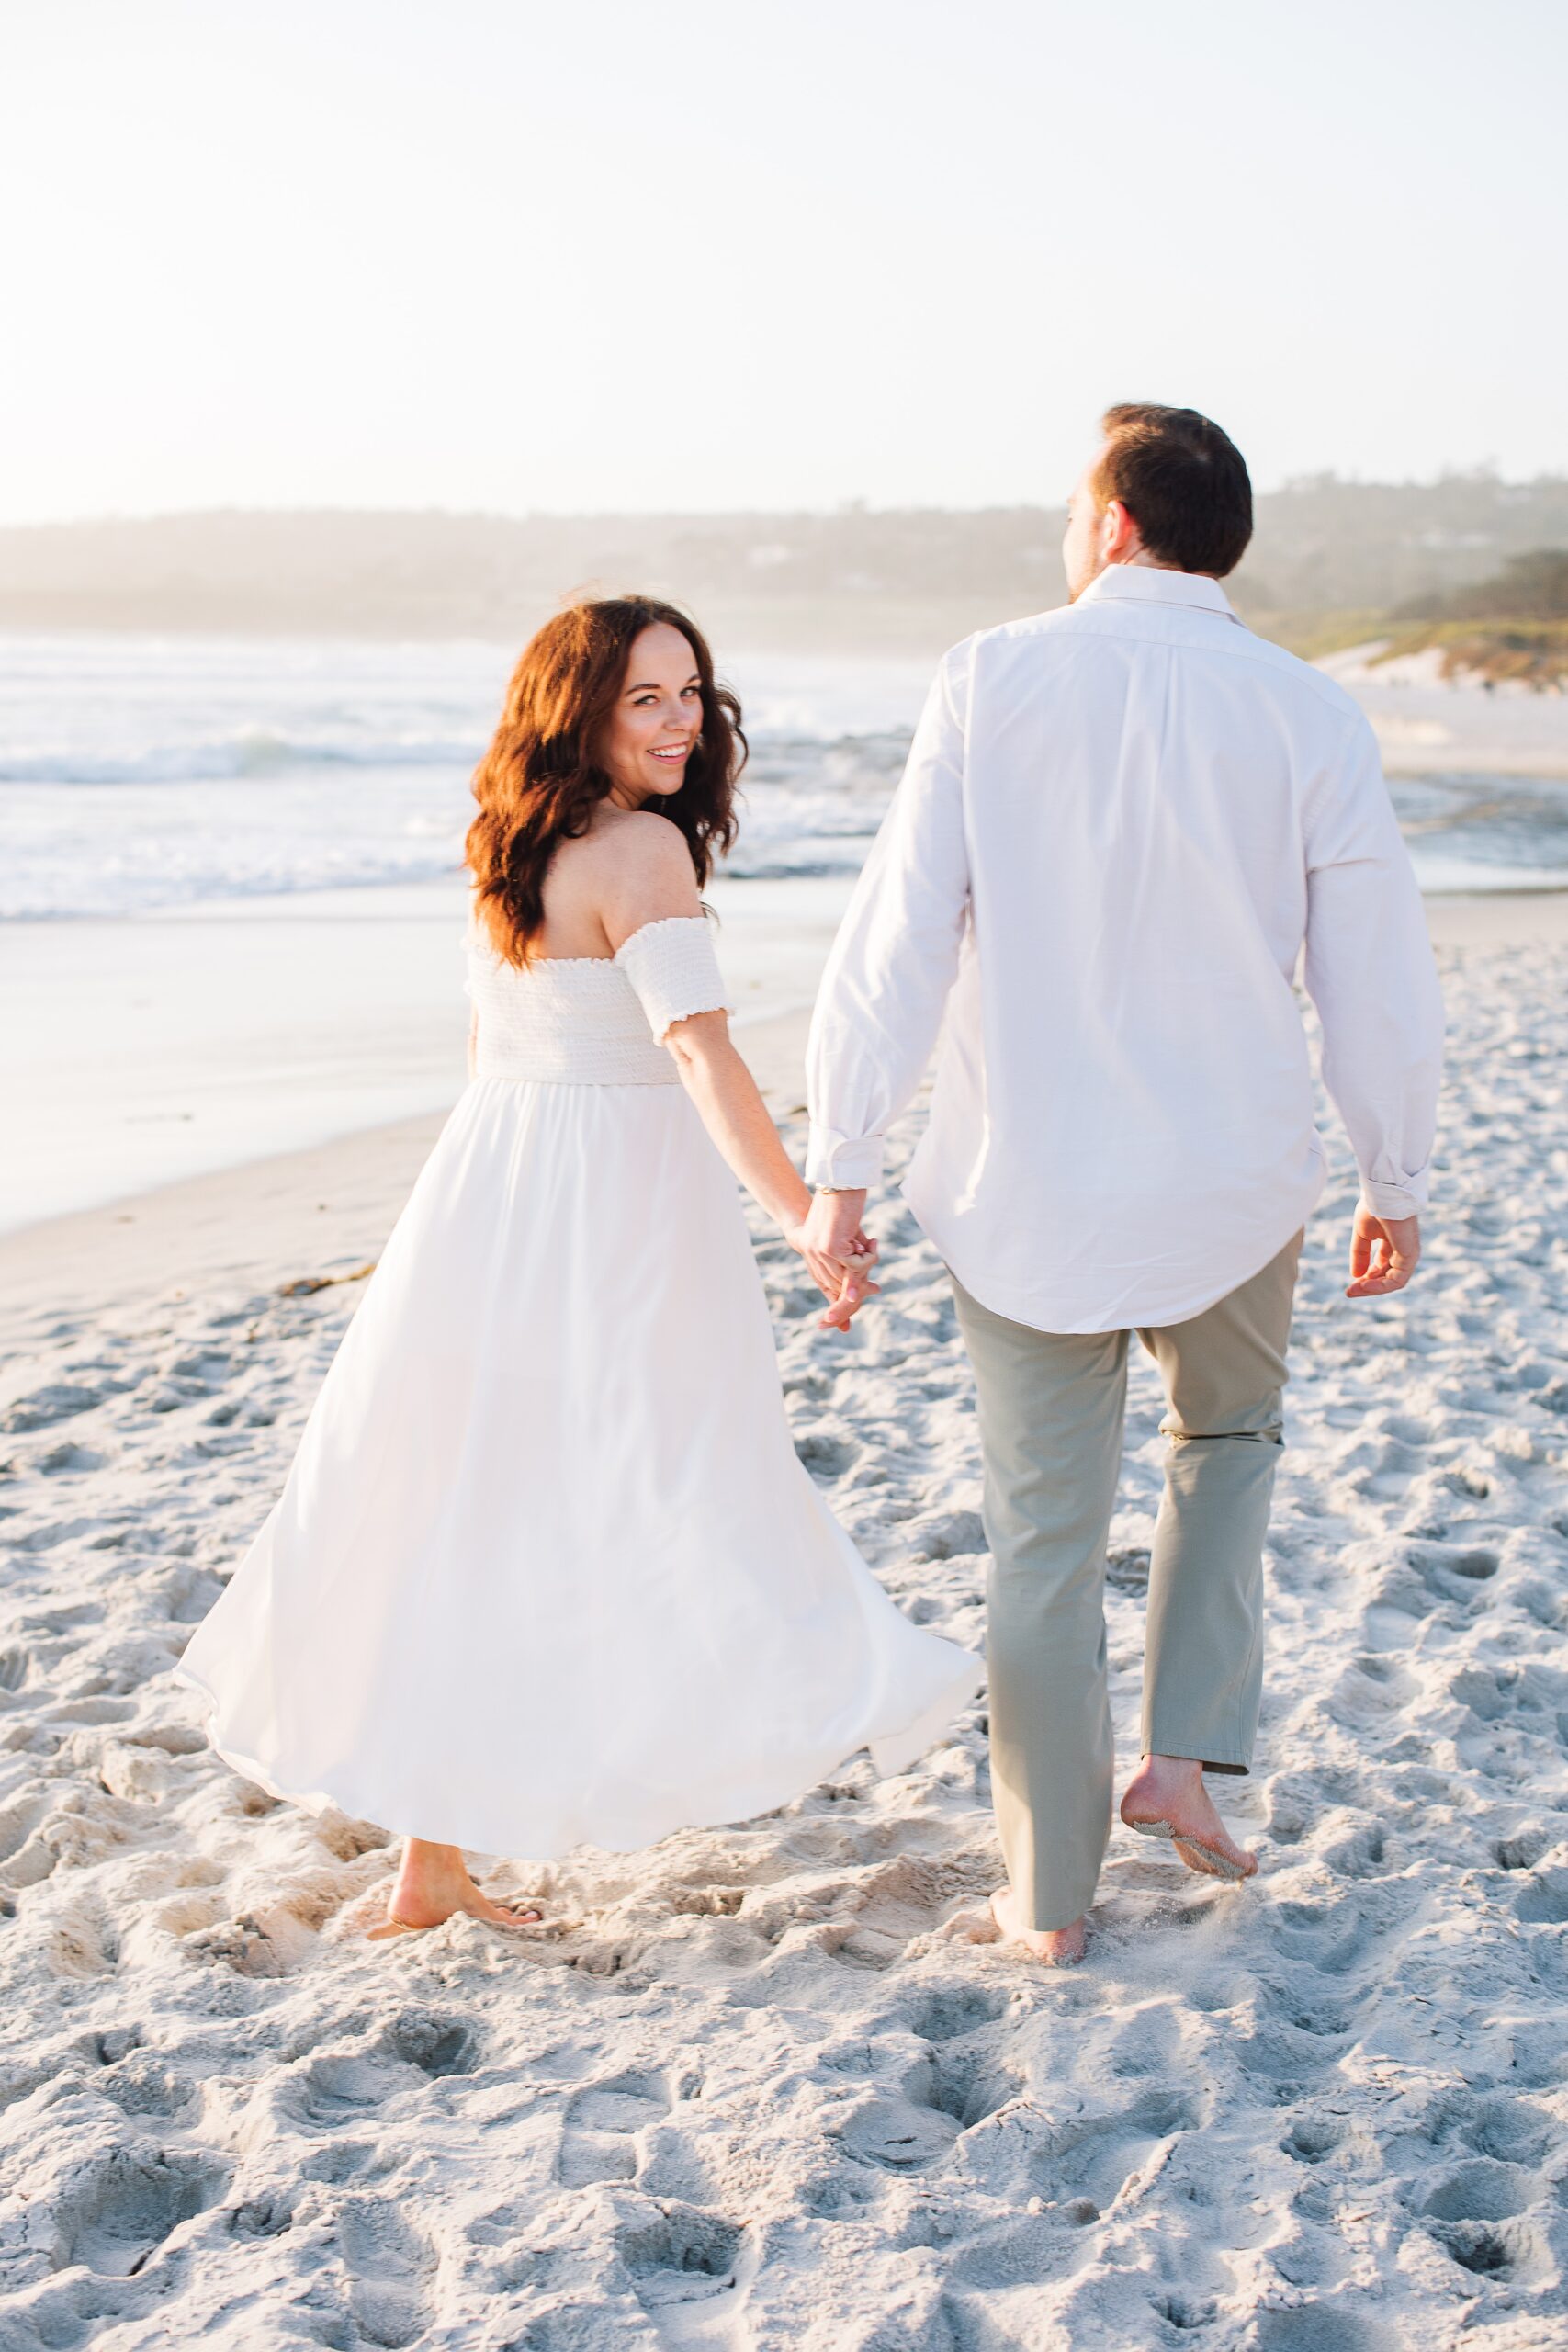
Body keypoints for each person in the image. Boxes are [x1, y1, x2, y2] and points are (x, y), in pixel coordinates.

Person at [177, 596, 979, 1939]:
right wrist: (802, 1212)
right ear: (582, 711)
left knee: (476, 1503)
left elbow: (500, 1051)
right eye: (646, 699)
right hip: (613, 1207)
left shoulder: (511, 842)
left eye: (691, 693)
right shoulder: (646, 853)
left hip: (489, 1193)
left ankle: (432, 1860)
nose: (680, 723)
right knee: (674, 1477)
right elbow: (698, 1056)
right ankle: (786, 1700)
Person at [803, 405, 1443, 1965]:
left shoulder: (991, 675)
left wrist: (842, 1162)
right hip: (1233, 1176)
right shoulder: (1306, 711)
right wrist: (1393, 1169)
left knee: (1043, 1542)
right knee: (1228, 1447)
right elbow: (1375, 969)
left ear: (1112, 523)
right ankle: (1186, 1768)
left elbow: (899, 937)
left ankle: (1045, 1899)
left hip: (1028, 1179)